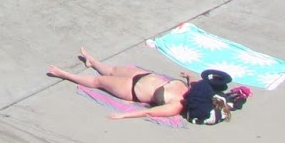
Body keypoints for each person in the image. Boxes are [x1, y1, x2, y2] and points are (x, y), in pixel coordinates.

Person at [45, 51, 251, 122]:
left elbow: (149, 114)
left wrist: (123, 115)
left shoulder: (176, 106)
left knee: (99, 82)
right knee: (112, 69)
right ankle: (93, 62)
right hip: (142, 76)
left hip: (133, 90)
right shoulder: (191, 90)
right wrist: (188, 77)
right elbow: (195, 85)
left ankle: (63, 74)